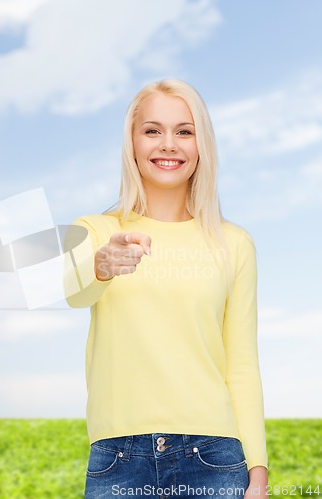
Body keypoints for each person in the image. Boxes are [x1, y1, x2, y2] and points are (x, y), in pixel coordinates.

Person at [65, 79, 268, 498]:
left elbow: (242, 365)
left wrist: (259, 473)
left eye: (185, 131)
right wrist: (102, 265)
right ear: (133, 142)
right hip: (117, 459)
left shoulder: (233, 243)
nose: (169, 144)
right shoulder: (96, 231)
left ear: (201, 145)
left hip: (215, 458)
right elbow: (73, 290)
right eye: (153, 130)